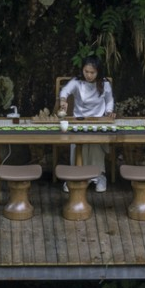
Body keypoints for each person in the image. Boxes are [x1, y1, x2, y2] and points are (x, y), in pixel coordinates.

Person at [58, 53, 114, 190]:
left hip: (98, 120)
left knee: (95, 146)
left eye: (92, 72)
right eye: (86, 71)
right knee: (77, 144)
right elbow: (64, 91)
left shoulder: (104, 83)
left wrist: (109, 112)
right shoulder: (77, 82)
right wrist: (63, 101)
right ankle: (74, 176)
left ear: (98, 72)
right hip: (79, 120)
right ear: (82, 70)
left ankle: (99, 176)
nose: (89, 75)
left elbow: (109, 100)